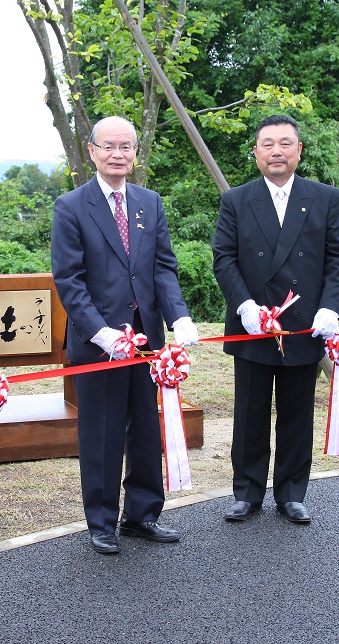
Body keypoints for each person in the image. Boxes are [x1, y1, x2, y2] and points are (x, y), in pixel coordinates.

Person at [51, 116, 200, 554]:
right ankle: (100, 521)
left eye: (126, 147)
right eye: (108, 146)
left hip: (147, 340)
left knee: (144, 430)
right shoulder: (71, 206)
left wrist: (180, 318)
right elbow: (70, 280)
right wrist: (101, 333)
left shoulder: (149, 203)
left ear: (136, 153)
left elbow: (162, 269)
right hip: (98, 344)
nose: (118, 154)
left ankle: (142, 514)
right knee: (101, 431)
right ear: (91, 151)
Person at [211, 114, 339, 525]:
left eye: (285, 143)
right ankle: (247, 492)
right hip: (253, 325)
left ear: (299, 150)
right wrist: (245, 307)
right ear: (256, 152)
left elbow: (338, 259)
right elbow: (224, 258)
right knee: (249, 413)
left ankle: (291, 493)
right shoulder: (236, 200)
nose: (277, 151)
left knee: (296, 413)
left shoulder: (324, 197)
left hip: (304, 325)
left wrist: (330, 307)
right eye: (268, 143)